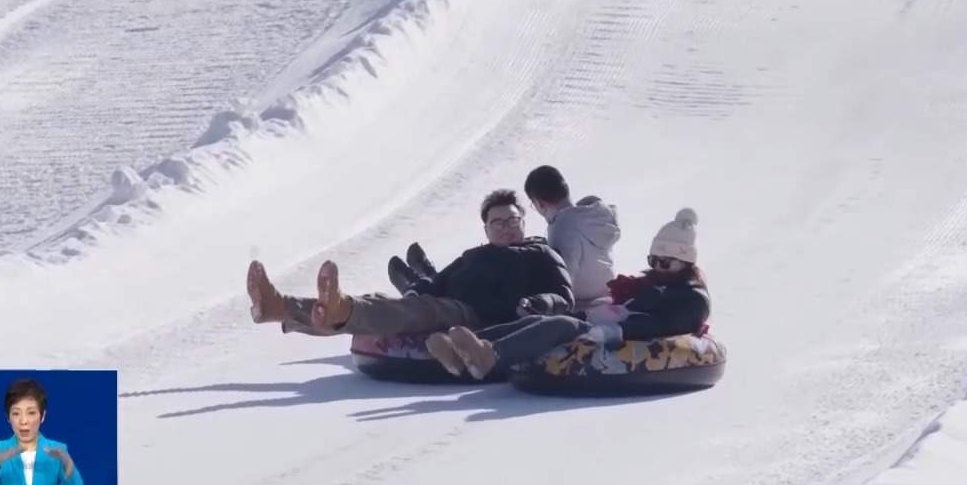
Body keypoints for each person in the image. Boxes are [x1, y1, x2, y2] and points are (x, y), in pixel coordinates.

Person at [424, 208, 710, 379]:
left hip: (623, 334)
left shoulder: (692, 297)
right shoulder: (651, 285)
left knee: (561, 325)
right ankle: (467, 346)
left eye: (665, 262)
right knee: (539, 321)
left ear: (686, 262)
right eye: (653, 261)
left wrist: (615, 330)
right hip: (606, 323)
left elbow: (665, 323)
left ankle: (490, 356)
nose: (657, 267)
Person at [245, 189, 575, 336]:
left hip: (481, 316)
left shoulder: (540, 253)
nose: (506, 228)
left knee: (420, 311)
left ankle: (331, 309)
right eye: (497, 222)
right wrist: (420, 288)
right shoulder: (474, 255)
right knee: (380, 304)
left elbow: (565, 296)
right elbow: (437, 281)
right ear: (486, 229)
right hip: (449, 302)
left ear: (524, 222)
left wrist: (539, 302)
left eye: (512, 220)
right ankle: (279, 306)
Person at [523, 165, 620, 307]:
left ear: (539, 203)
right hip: (610, 295)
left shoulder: (562, 228)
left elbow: (564, 283)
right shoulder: (598, 214)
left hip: (587, 306)